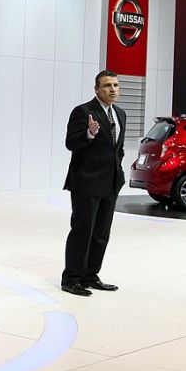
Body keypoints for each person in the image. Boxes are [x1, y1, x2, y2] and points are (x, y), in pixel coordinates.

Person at [61, 70, 125, 296]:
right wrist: (88, 134)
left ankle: (90, 275)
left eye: (116, 85)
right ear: (96, 89)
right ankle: (71, 279)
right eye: (107, 85)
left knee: (101, 233)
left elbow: (118, 149)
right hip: (86, 182)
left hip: (110, 183)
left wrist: (119, 170)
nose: (113, 90)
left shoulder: (120, 114)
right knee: (82, 231)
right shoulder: (83, 112)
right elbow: (71, 143)